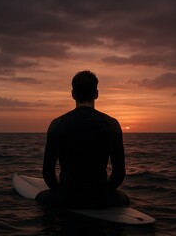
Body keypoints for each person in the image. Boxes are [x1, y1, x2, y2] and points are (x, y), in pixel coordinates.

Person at [36, 70, 130, 209]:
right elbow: (119, 174)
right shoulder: (111, 124)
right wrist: (105, 191)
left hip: (67, 196)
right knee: (123, 198)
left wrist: (60, 191)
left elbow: (48, 174)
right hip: (99, 197)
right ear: (96, 94)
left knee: (40, 197)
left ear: (73, 94)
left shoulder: (57, 124)